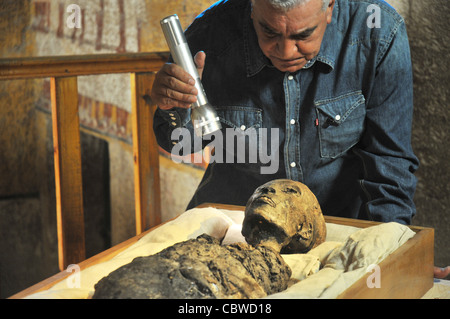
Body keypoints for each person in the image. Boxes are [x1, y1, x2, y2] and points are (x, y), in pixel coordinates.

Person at [151, 0, 419, 224]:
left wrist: (395, 249)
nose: (286, 51)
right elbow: (178, 143)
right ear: (253, 8)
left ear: (330, 8)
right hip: (234, 229)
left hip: (337, 231)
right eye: (269, 32)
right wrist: (174, 107)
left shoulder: (377, 32)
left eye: (303, 35)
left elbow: (389, 165)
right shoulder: (210, 35)